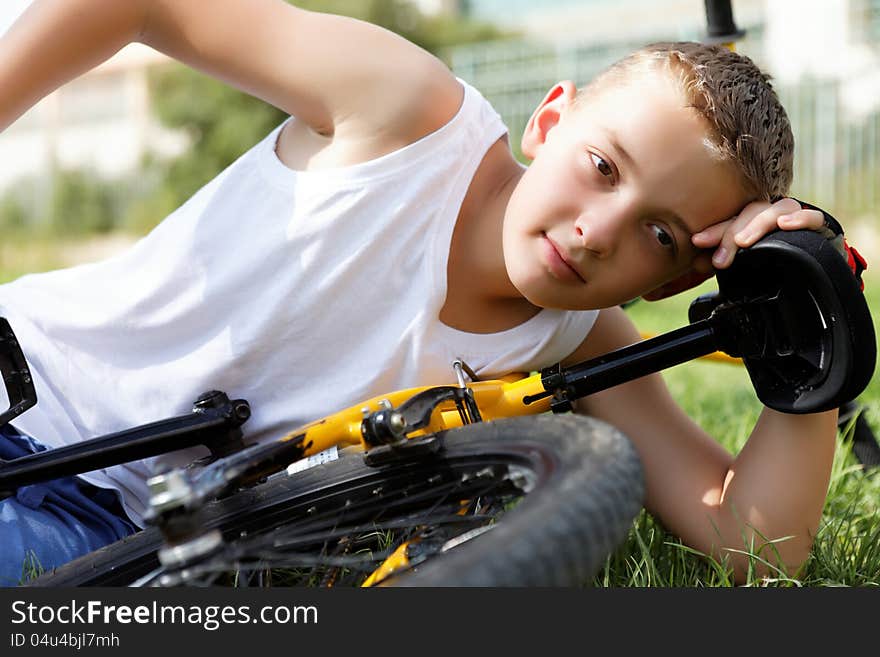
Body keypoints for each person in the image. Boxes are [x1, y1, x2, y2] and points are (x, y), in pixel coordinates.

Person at [0, 0, 859, 585]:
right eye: (602, 167)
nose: (599, 229)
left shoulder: (579, 345)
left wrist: (812, 316)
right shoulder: (408, 114)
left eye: (660, 234)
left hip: (110, 541)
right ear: (549, 122)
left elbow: (752, 544)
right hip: (28, 389)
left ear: (674, 281)